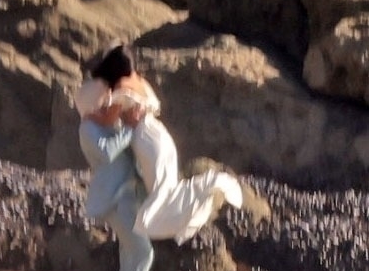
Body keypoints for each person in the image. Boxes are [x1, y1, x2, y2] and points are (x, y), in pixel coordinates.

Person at [89, 44, 258, 245]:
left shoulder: (122, 87)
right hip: (159, 136)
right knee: (166, 189)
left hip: (146, 140)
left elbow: (108, 120)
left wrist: (90, 115)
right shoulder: (141, 81)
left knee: (163, 192)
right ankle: (201, 196)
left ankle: (205, 192)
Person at [74, 78, 157, 271]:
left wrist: (139, 119)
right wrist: (130, 131)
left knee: (132, 257)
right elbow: (107, 153)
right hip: (114, 201)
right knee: (143, 252)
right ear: (93, 109)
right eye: (108, 105)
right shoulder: (88, 129)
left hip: (129, 198)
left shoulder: (115, 127)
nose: (114, 109)